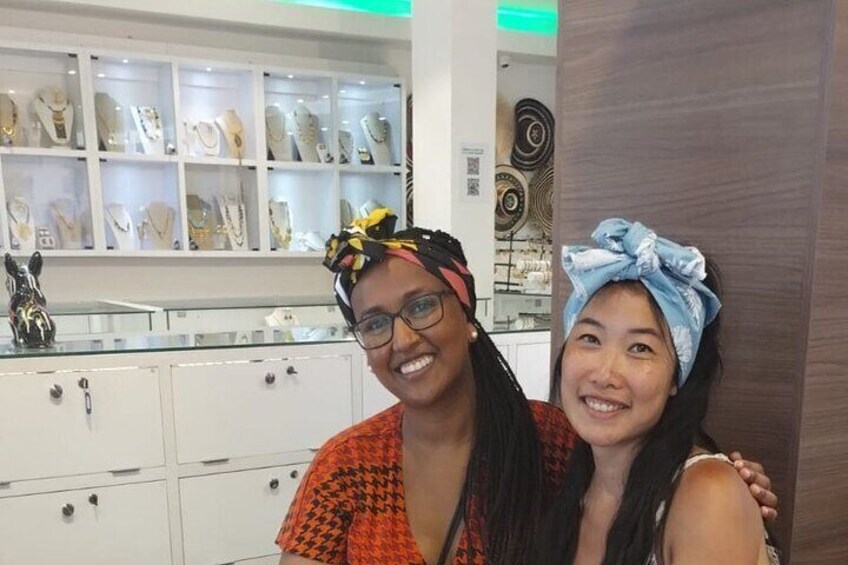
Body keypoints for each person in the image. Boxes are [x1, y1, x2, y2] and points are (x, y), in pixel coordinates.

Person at [276, 210, 777, 565]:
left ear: (467, 316)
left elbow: (667, 477)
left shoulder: (551, 441)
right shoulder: (345, 466)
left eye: (422, 306)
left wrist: (723, 487)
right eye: (374, 324)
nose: (403, 339)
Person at [534, 218, 780, 564]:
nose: (604, 374)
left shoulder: (707, 496)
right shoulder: (571, 481)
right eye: (590, 338)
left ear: (677, 377)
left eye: (640, 348)